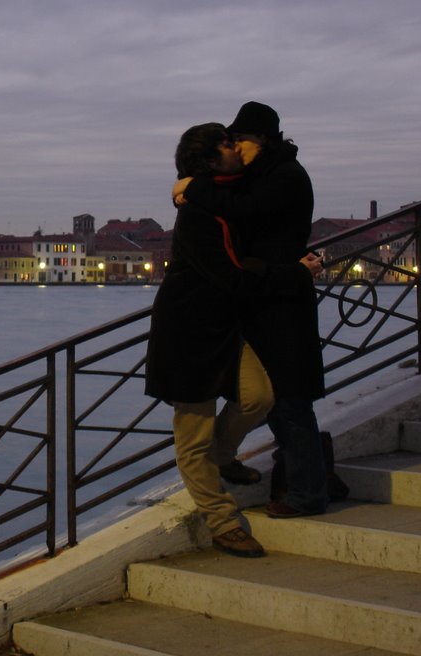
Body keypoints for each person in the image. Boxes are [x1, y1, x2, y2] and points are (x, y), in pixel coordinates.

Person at [145, 122, 322, 558]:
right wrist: (297, 274)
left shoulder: (223, 196)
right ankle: (223, 521)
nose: (236, 149)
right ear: (209, 159)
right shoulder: (199, 214)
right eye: (227, 144)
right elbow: (233, 277)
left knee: (258, 397)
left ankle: (222, 456)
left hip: (222, 327)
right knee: (193, 433)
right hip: (186, 333)